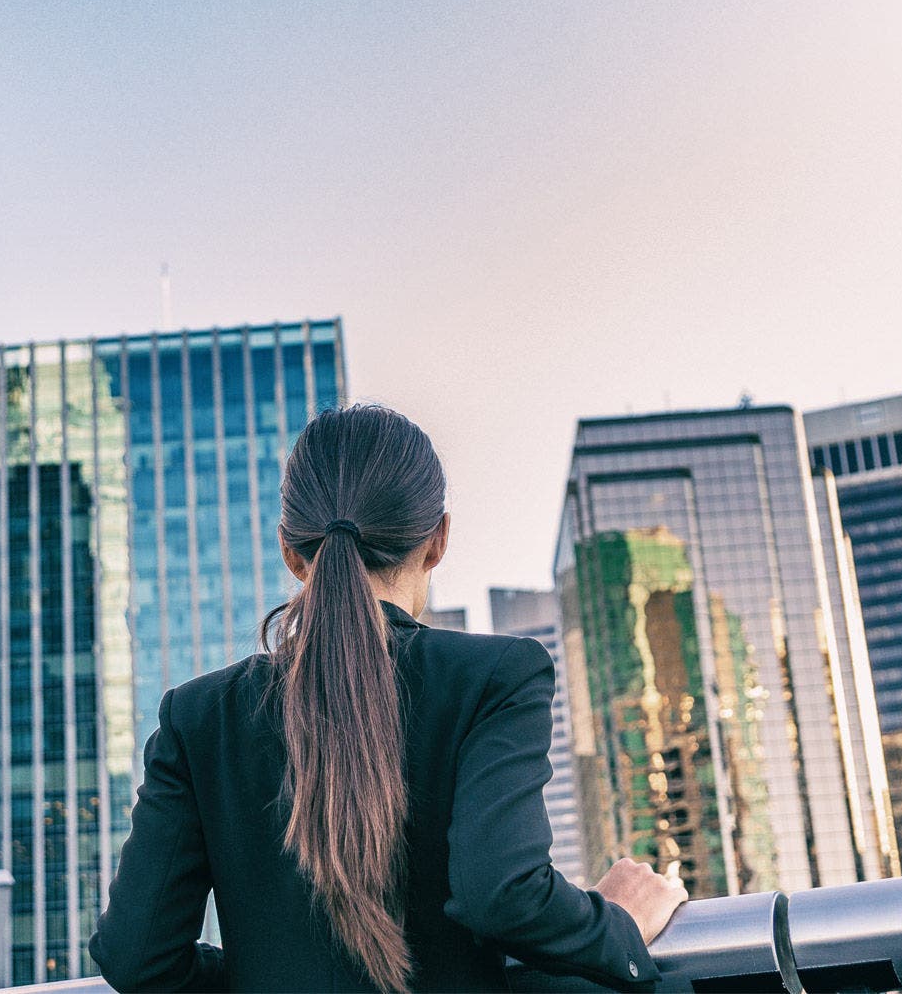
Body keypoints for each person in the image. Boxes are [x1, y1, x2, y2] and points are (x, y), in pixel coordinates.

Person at [89, 405, 687, 992]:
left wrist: (255, 972)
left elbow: (138, 955)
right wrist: (620, 926)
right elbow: (503, 895)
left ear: (290, 552)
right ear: (438, 540)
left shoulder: (197, 717)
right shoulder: (497, 676)